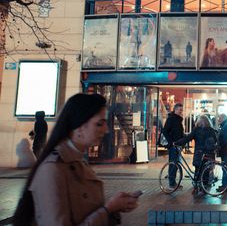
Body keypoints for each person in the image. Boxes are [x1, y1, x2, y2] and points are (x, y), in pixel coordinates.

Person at [13, 94, 138, 226]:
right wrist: (108, 209)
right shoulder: (52, 169)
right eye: (99, 123)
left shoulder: (78, 161)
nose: (106, 130)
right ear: (79, 127)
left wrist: (113, 209)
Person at [175, 115, 217, 190]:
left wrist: (177, 143)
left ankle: (197, 185)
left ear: (199, 122)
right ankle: (205, 186)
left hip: (199, 153)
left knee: (198, 169)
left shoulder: (197, 130)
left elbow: (187, 138)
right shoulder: (211, 130)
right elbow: (216, 140)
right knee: (206, 169)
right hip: (209, 153)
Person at [162, 103, 185, 188]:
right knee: (173, 164)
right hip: (173, 146)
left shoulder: (178, 119)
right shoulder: (171, 119)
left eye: (181, 110)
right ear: (175, 110)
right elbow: (165, 131)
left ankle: (174, 182)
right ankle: (172, 183)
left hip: (178, 145)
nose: (181, 111)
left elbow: (179, 132)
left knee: (176, 164)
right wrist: (171, 142)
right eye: (180, 110)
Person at [216, 114, 227, 192]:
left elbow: (225, 140)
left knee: (225, 168)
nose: (218, 120)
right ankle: (226, 184)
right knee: (226, 167)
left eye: (219, 118)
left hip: (225, 151)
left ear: (224, 118)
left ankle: (225, 185)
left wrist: (218, 146)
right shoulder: (226, 125)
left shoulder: (226, 126)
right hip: (225, 150)